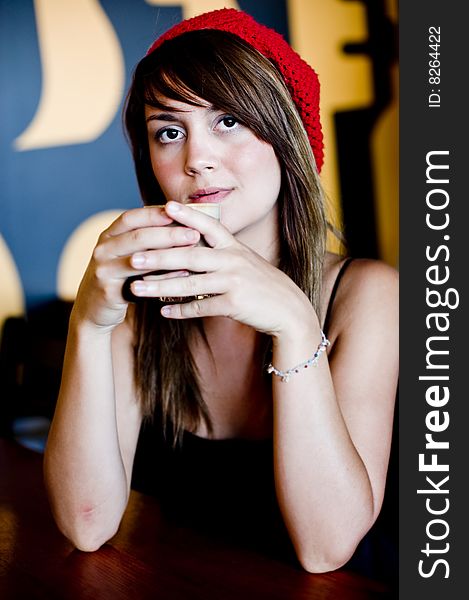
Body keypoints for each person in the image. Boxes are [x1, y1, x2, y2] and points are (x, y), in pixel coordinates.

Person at [43, 8, 398, 581]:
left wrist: (295, 324)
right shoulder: (139, 301)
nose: (196, 158)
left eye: (228, 120)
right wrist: (89, 322)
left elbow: (326, 547)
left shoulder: (367, 294)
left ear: (287, 134)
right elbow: (87, 525)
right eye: (169, 131)